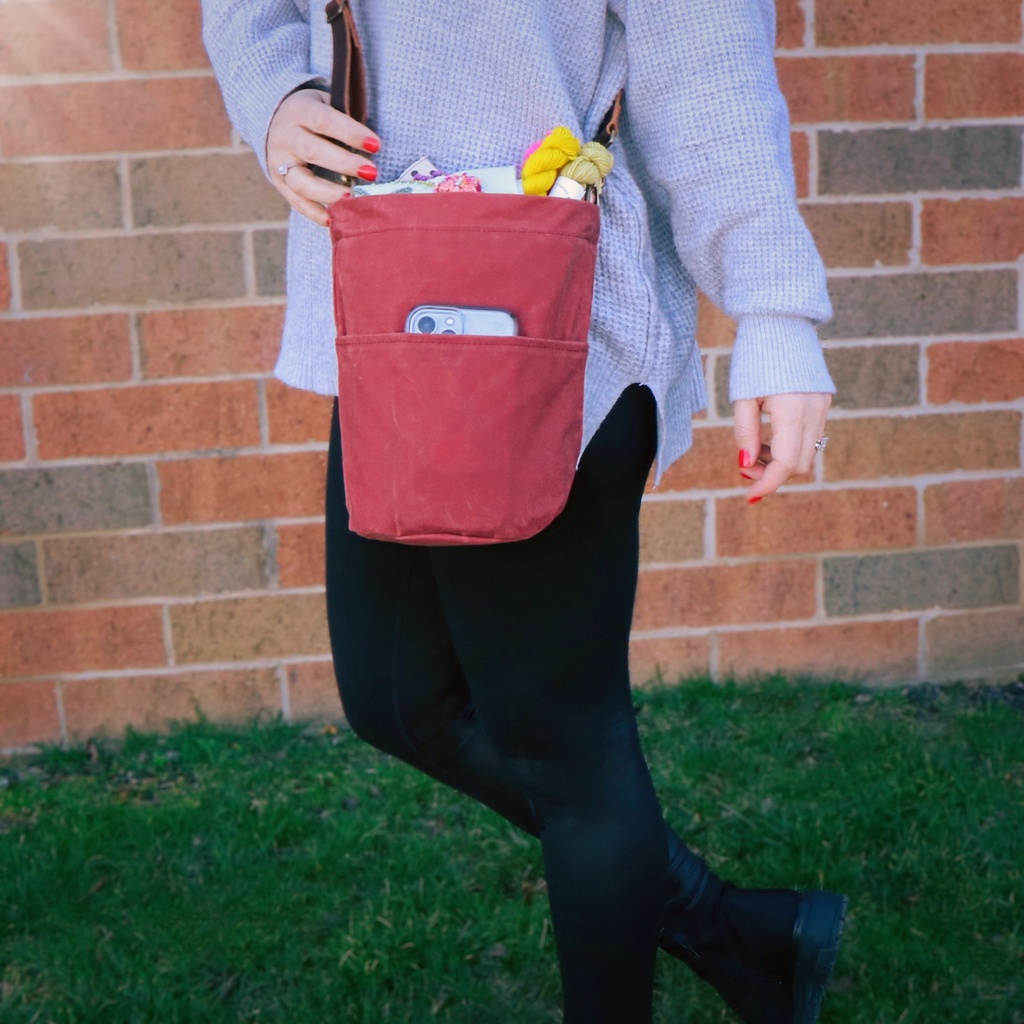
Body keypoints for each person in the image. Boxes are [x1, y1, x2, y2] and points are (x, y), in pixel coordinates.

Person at [201, 2, 846, 1021]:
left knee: (567, 743)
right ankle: (739, 933)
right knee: (398, 699)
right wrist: (275, 95)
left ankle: (730, 941)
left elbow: (705, 62)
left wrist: (772, 310)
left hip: (551, 323)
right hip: (387, 318)